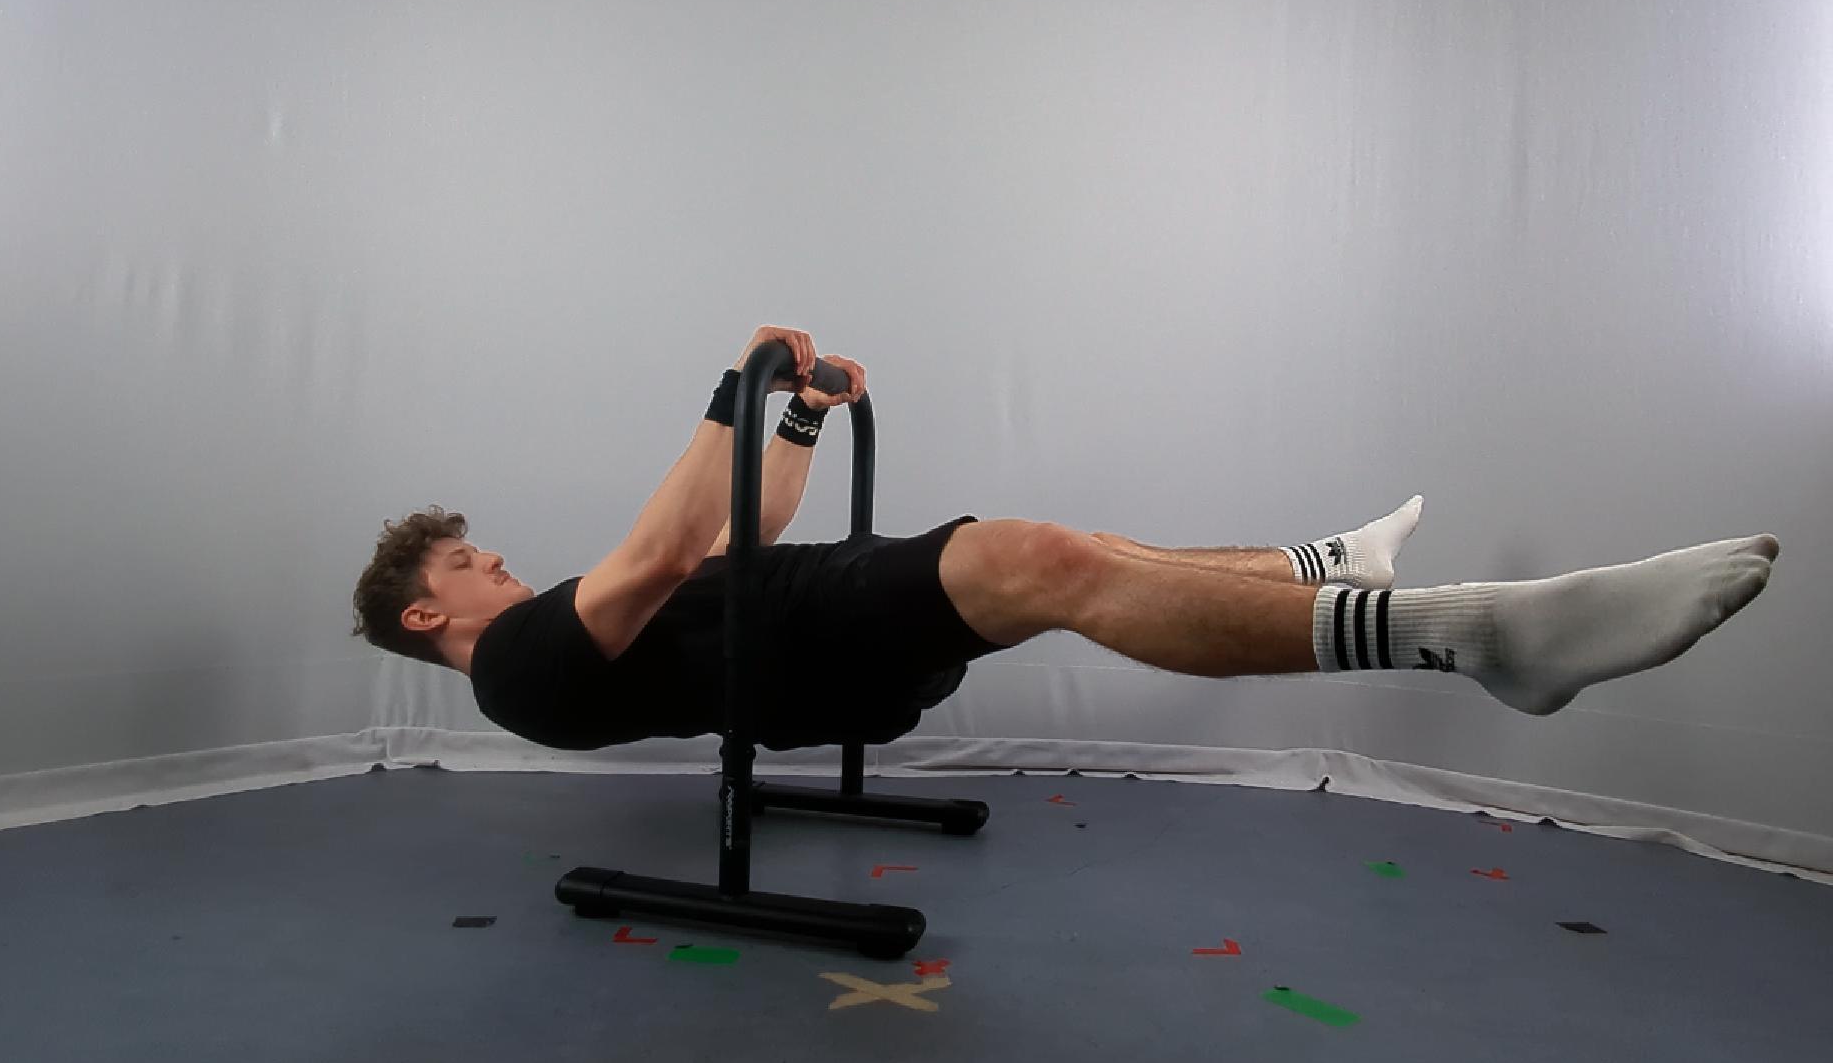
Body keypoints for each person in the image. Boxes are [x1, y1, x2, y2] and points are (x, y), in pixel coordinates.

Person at [350, 325, 1779, 752]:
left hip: (806, 614)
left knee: (1068, 552)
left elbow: (724, 534)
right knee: (1036, 558)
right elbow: (666, 554)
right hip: (804, 660)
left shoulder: (553, 629)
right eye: (466, 567)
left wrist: (792, 425)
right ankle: (1476, 638)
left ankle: (1321, 570)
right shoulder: (514, 671)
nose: (497, 565)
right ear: (432, 618)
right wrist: (739, 382)